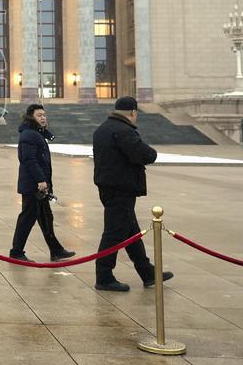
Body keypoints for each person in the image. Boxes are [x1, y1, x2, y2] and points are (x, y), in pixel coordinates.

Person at [92, 96, 171, 292]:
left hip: (109, 186)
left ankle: (147, 272)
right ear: (134, 112)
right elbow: (145, 154)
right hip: (121, 188)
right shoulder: (123, 131)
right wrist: (151, 152)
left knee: (131, 233)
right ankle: (104, 276)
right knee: (113, 233)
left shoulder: (103, 128)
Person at [9, 104, 76, 263]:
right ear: (31, 117)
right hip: (34, 186)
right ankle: (16, 252)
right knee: (27, 217)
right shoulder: (29, 135)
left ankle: (56, 250)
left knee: (46, 217)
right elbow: (29, 160)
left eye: (44, 115)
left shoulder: (36, 133)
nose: (43, 118)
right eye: (39, 115)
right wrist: (40, 180)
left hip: (40, 185)